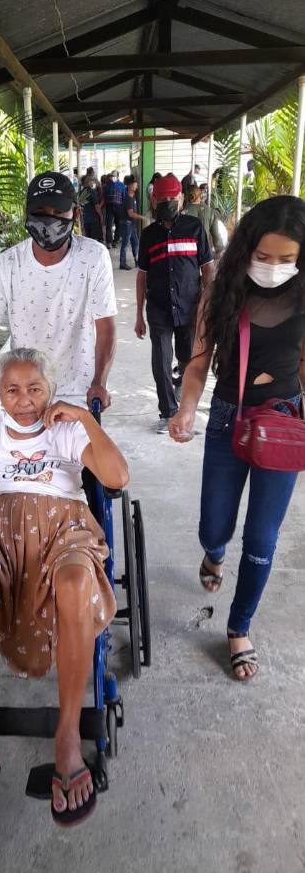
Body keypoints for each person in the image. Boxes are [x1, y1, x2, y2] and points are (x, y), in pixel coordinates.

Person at [0, 348, 129, 823]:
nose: (24, 400)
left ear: (49, 390)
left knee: (76, 582)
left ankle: (68, 736)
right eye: (12, 389)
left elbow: (117, 476)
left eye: (35, 388)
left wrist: (84, 418)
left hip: (63, 529)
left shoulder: (67, 429)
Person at [169, 195, 305, 679]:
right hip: (229, 419)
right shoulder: (222, 291)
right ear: (247, 247)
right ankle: (214, 553)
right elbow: (199, 362)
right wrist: (186, 411)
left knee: (262, 540)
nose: (273, 267)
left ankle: (239, 626)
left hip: (285, 422)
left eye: (286, 259)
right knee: (214, 526)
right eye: (263, 257)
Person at [0, 171, 117, 413]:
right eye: (41, 213)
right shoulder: (7, 263)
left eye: (58, 213)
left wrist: (99, 382)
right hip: (26, 397)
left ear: (75, 214)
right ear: (27, 215)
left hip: (80, 396)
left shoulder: (93, 257)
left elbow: (106, 327)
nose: (49, 220)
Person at [135, 174, 214, 433]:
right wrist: (138, 313)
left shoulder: (194, 228)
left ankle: (184, 399)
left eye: (172, 198)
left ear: (180, 198)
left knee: (188, 358)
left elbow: (207, 269)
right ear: (153, 199)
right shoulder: (148, 235)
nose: (167, 202)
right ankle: (168, 411)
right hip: (158, 307)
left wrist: (207, 303)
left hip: (190, 307)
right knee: (161, 359)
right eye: (162, 198)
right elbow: (142, 275)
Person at [184, 183, 226, 256]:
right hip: (205, 251)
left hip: (188, 252)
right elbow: (216, 236)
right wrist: (220, 251)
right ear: (200, 195)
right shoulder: (210, 211)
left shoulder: (182, 213)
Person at [119, 176, 147, 271]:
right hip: (127, 224)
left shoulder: (132, 196)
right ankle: (122, 263)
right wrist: (142, 217)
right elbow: (130, 214)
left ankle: (137, 260)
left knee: (136, 243)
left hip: (132, 224)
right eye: (135, 184)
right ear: (130, 185)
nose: (137, 186)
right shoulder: (128, 198)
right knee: (125, 244)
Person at [104, 169, 126, 248]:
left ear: (117, 177)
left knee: (118, 224)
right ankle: (109, 242)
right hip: (109, 207)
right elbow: (105, 197)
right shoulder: (107, 185)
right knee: (109, 225)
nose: (112, 178)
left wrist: (124, 208)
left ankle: (115, 241)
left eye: (114, 176)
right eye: (111, 176)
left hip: (119, 207)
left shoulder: (122, 185)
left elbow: (124, 197)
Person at [81, 173, 103, 242]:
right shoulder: (91, 191)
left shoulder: (81, 192)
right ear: (89, 182)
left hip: (85, 218)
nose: (93, 183)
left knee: (88, 239)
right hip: (93, 219)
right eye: (92, 181)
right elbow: (96, 206)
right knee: (94, 240)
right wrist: (101, 215)